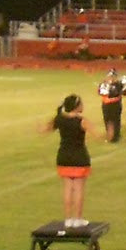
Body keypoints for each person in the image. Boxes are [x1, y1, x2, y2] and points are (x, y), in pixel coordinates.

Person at [44, 94, 91, 227]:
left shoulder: (59, 119)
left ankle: (68, 219)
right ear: (76, 106)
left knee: (67, 188)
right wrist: (109, 135)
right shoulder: (82, 121)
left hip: (63, 156)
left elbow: (45, 130)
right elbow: (98, 136)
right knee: (78, 188)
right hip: (80, 157)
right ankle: (78, 219)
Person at [97, 69, 124, 143]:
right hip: (106, 105)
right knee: (107, 120)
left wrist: (109, 89)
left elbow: (117, 93)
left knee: (115, 120)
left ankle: (116, 136)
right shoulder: (104, 84)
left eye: (112, 76)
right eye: (109, 76)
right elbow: (99, 92)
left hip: (115, 105)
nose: (111, 78)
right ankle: (109, 134)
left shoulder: (118, 84)